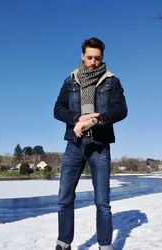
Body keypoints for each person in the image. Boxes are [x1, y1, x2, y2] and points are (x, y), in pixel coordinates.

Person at [54, 37, 127, 250]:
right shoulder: (70, 81)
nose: (93, 61)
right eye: (90, 57)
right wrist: (76, 119)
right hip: (74, 144)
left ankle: (105, 245)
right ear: (82, 56)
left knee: (102, 202)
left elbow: (121, 110)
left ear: (102, 58)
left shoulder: (111, 81)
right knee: (64, 197)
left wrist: (98, 119)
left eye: (98, 58)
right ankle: (64, 242)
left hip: (100, 145)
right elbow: (58, 109)